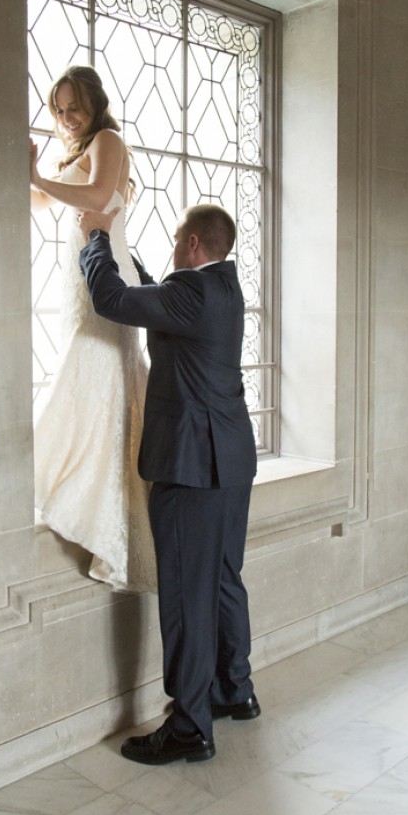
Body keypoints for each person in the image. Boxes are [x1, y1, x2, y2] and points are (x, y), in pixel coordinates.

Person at [77, 202, 260, 765]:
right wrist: (130, 259)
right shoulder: (224, 289)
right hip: (230, 460)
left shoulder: (193, 291)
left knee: (186, 595)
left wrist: (95, 242)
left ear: (195, 246)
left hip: (191, 466)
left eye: (178, 238)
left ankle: (189, 725)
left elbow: (110, 301)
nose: (174, 245)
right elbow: (167, 306)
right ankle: (235, 691)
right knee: (225, 579)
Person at [29, 65, 156, 593]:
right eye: (58, 108)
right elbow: (39, 200)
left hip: (104, 276)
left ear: (95, 104)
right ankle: (93, 492)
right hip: (80, 282)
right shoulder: (72, 154)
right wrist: (28, 168)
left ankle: (105, 508)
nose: (65, 117)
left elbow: (101, 195)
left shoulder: (108, 139)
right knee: (92, 374)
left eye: (73, 106)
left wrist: (37, 178)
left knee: (99, 368)